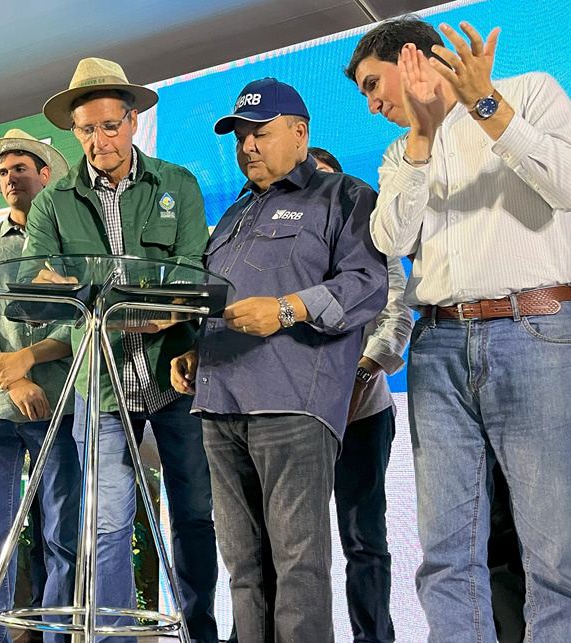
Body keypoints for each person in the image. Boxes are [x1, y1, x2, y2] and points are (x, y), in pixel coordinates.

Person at [346, 16, 571, 642]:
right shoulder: (400, 151)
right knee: (446, 554)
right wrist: (421, 135)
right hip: (439, 346)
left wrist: (485, 105)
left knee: (557, 553)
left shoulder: (530, 92)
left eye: (373, 84)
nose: (372, 104)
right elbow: (392, 239)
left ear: (411, 57)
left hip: (538, 332)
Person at [171, 78, 388, 642]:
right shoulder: (236, 213)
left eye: (260, 133)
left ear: (300, 132)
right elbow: (220, 296)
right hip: (219, 406)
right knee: (243, 572)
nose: (247, 146)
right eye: (240, 135)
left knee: (299, 568)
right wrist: (197, 348)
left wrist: (289, 310)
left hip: (292, 406)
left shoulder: (344, 196)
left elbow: (368, 284)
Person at [25, 58, 218, 643]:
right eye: (86, 130)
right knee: (107, 523)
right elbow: (38, 284)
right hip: (99, 385)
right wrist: (97, 301)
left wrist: (117, 303)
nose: (99, 139)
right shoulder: (53, 200)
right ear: (74, 132)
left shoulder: (177, 184)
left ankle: (197, 631)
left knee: (192, 515)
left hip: (175, 375)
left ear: (132, 122)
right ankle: (112, 637)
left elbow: (190, 274)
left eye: (110, 126)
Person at [0, 129, 81, 643]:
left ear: (45, 174)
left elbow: (80, 320)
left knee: (61, 538)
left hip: (59, 405)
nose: (9, 178)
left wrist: (28, 366)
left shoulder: (73, 244)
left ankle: (53, 637)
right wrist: (13, 378)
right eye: (2, 172)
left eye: (19, 168)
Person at [311, 146, 414, 643]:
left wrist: (361, 373)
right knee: (287, 542)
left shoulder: (374, 239)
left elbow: (397, 314)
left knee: (363, 538)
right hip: (295, 415)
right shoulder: (287, 240)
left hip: (362, 411)